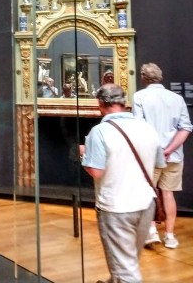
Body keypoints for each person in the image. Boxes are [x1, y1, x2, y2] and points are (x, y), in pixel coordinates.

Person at [80, 83, 164, 283]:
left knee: (125, 270)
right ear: (124, 102)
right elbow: (159, 163)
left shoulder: (99, 132)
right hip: (146, 204)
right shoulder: (147, 128)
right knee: (128, 262)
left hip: (116, 208)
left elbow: (96, 171)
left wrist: (83, 154)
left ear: (100, 104)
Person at [132, 62, 192, 249]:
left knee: (148, 193)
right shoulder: (177, 99)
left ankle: (152, 231)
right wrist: (169, 150)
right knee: (168, 194)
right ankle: (170, 235)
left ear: (143, 78)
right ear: (161, 77)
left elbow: (139, 127)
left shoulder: (139, 96)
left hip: (150, 155)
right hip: (173, 155)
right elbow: (185, 128)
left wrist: (158, 151)